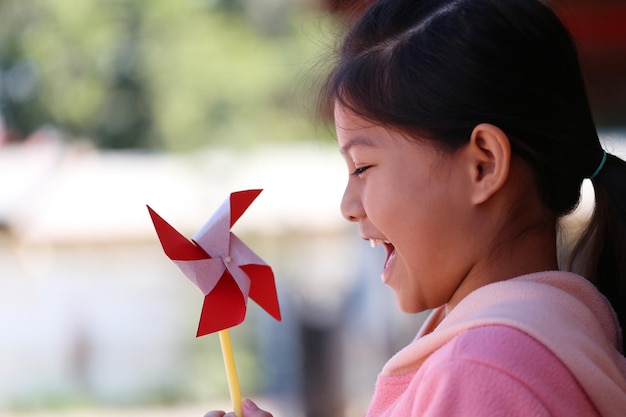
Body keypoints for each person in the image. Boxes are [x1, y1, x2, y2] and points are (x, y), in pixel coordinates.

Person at [205, 0, 626, 415]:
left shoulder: (480, 367)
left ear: (484, 164)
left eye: (363, 166)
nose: (348, 206)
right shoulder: (559, 332)